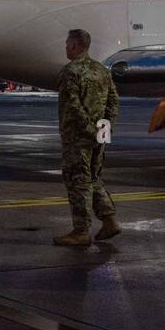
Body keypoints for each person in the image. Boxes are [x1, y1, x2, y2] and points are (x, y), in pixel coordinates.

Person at [53, 29, 120, 246]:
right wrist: (103, 129)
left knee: (78, 182)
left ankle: (81, 231)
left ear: (75, 46)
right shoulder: (101, 70)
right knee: (93, 177)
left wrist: (88, 128)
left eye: (67, 44)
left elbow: (73, 106)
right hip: (99, 134)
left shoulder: (70, 72)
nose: (65, 48)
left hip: (78, 136)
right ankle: (109, 220)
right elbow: (113, 101)